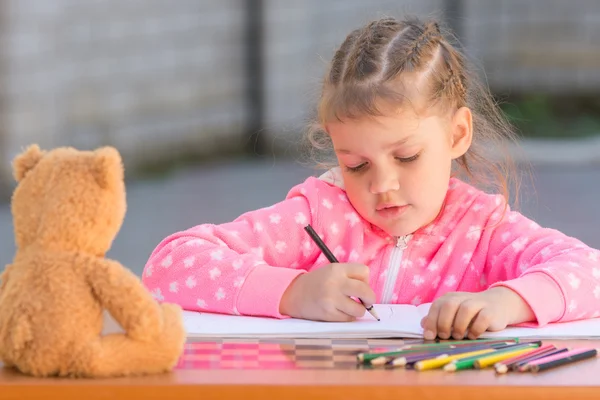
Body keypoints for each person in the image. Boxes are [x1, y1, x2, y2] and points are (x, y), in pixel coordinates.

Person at [142, 16, 600, 340]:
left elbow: (589, 272)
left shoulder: (484, 229)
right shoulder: (318, 216)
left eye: (407, 157)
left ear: (457, 134)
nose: (382, 184)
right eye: (356, 165)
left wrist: (506, 302)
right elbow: (169, 266)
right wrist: (292, 293)